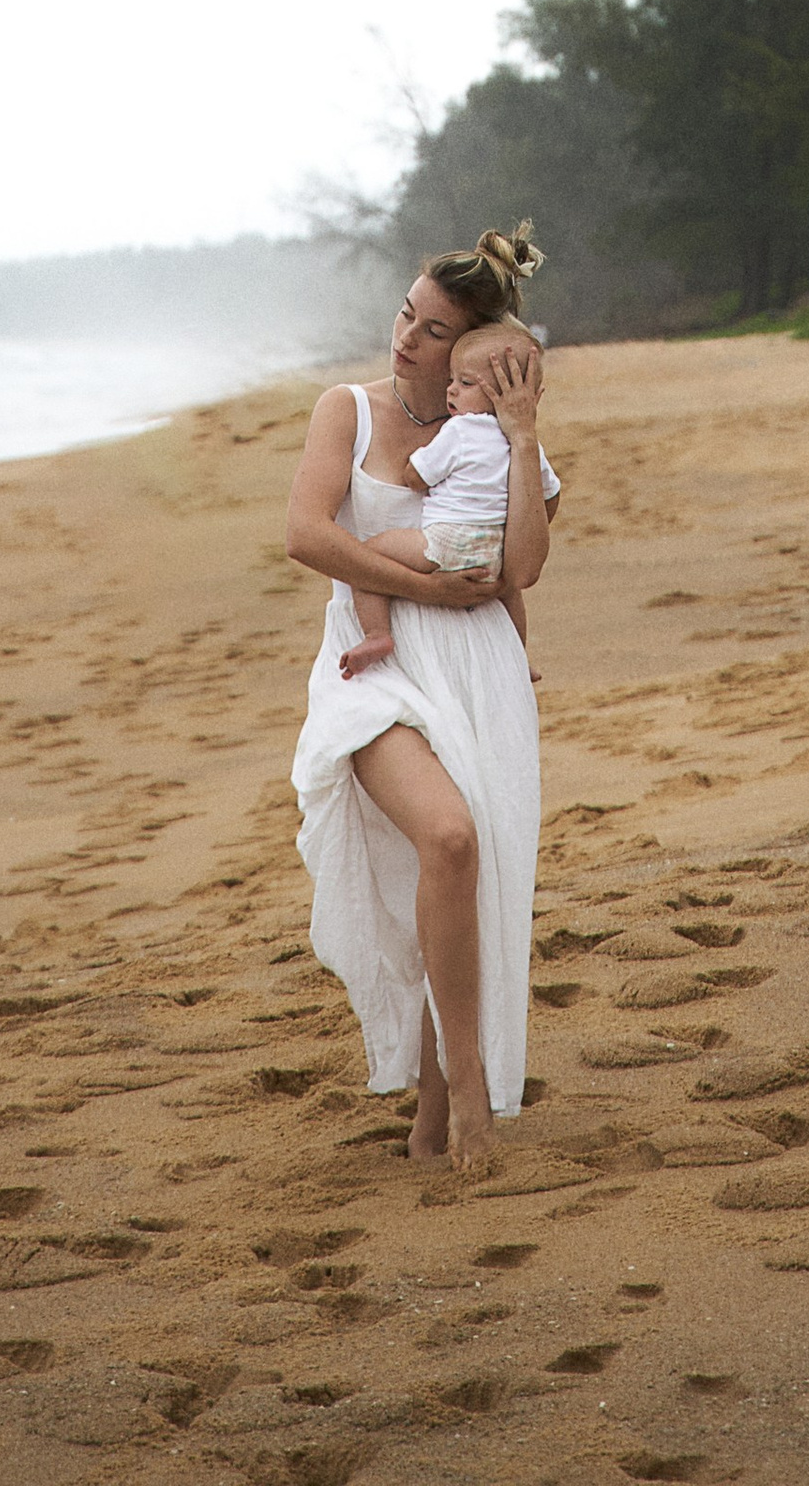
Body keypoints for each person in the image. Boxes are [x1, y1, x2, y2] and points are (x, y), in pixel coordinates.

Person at [286, 226, 558, 1174]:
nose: (405, 338)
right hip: (372, 662)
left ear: (476, 350)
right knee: (446, 837)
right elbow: (306, 536)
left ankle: (441, 1099)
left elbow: (521, 566)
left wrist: (522, 439)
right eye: (407, 313)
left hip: (475, 668)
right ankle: (469, 1080)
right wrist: (418, 589)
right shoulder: (347, 411)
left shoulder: (491, 439)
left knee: (466, 869)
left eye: (434, 329)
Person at [335, 315, 552, 682]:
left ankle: (377, 634)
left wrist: (413, 469)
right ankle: (519, 654)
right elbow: (546, 492)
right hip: (495, 551)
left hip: (446, 541)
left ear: (500, 391)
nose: (451, 390)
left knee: (368, 555)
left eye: (465, 383)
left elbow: (417, 477)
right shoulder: (521, 443)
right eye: (452, 380)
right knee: (511, 595)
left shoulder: (461, 430)